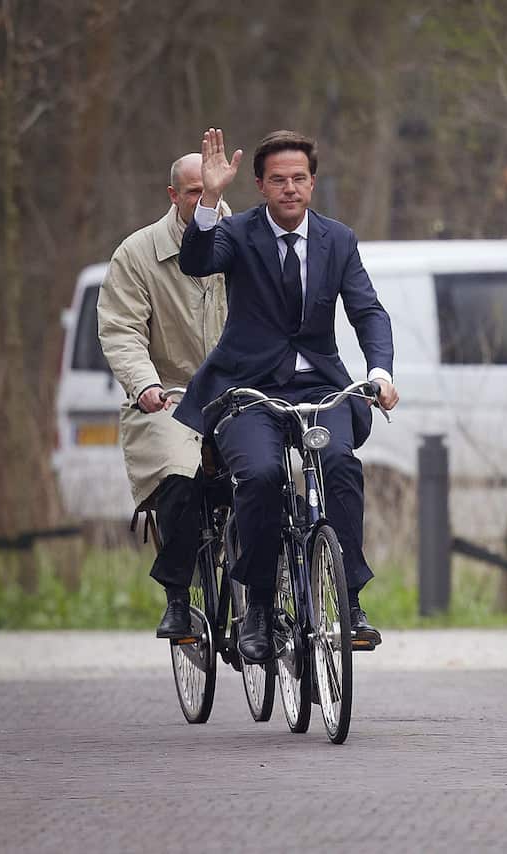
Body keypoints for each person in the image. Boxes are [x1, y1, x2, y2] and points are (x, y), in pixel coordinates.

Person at [175, 128, 399, 663]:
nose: (290, 188)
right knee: (261, 476)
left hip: (319, 385)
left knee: (340, 464)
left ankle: (350, 602)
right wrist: (209, 198)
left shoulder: (338, 240)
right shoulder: (237, 233)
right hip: (248, 388)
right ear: (260, 185)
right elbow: (196, 261)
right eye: (278, 180)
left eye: (299, 178)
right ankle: (257, 607)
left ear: (313, 183)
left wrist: (381, 371)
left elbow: (367, 311)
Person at [97, 153, 231, 638]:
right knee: (179, 473)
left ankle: (275, 592)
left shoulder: (242, 240)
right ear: (174, 196)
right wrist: (145, 383)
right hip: (170, 398)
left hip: (237, 393)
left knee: (280, 472)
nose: (204, 199)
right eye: (194, 191)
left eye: (211, 190)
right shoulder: (136, 254)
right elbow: (121, 330)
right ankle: (178, 597)